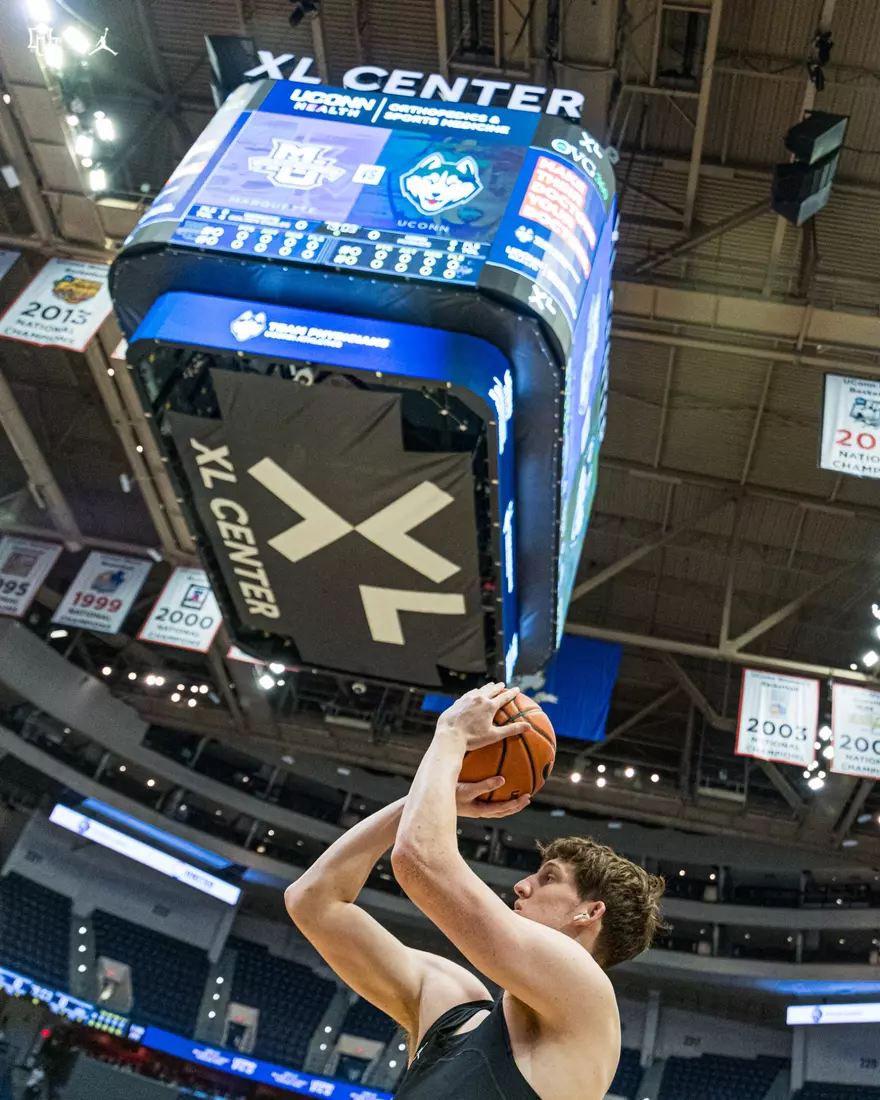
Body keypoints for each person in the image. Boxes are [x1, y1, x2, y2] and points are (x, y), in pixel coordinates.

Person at [285, 683, 664, 1100]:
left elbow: (419, 860)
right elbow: (313, 901)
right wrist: (425, 798)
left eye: (549, 878)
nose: (521, 885)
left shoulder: (587, 997)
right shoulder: (454, 1002)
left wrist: (452, 736)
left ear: (589, 913)